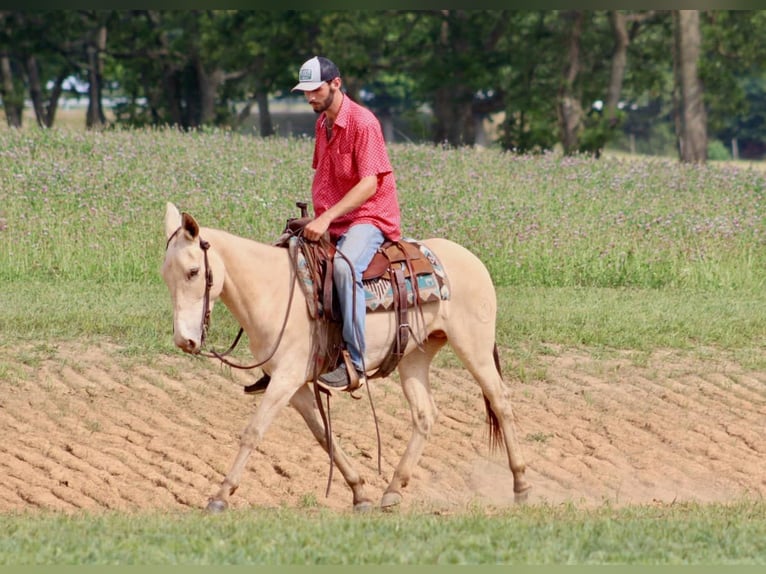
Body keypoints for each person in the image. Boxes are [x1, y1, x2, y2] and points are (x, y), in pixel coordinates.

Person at [291, 56, 402, 392]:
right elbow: (327, 177)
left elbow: (369, 184)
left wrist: (326, 217)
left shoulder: (363, 123)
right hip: (336, 219)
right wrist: (318, 216)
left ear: (336, 84)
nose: (310, 97)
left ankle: (356, 362)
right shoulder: (322, 123)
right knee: (288, 258)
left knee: (343, 266)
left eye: (316, 90)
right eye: (305, 92)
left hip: (368, 217)